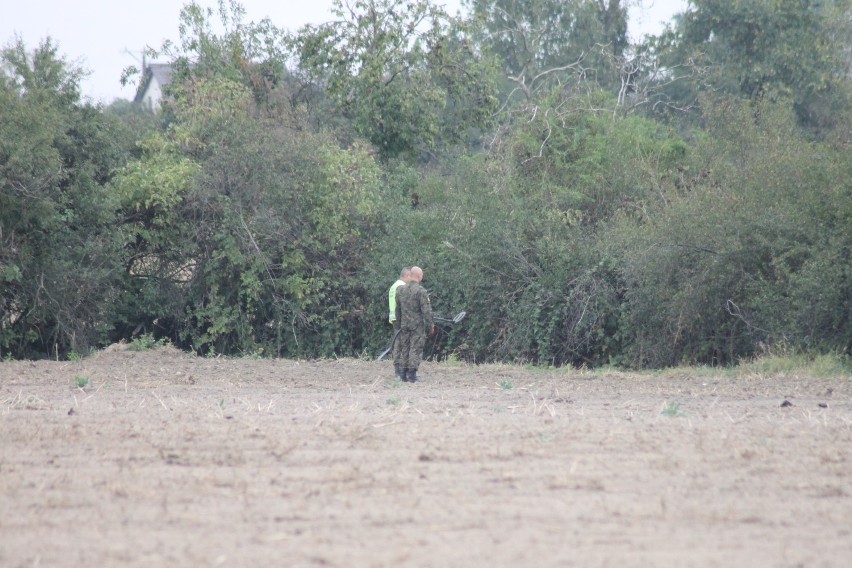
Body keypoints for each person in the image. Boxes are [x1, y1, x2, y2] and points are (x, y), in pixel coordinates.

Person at [394, 266, 435, 382]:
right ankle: (412, 375)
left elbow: (398, 310)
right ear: (419, 276)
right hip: (417, 326)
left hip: (404, 325)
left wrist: (398, 325)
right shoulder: (421, 291)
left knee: (405, 348)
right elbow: (426, 311)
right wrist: (430, 326)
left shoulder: (400, 290)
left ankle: (402, 374)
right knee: (415, 349)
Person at [388, 267, 411, 379]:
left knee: (398, 342)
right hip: (400, 318)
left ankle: (399, 369)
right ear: (406, 276)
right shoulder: (401, 286)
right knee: (401, 344)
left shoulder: (394, 285)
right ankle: (400, 370)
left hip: (393, 317)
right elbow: (404, 305)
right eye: (410, 277)